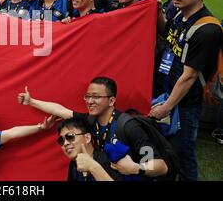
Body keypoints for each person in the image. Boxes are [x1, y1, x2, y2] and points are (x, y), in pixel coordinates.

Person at [18, 77, 169, 180]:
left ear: (111, 101)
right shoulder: (91, 120)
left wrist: (136, 168)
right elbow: (61, 111)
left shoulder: (128, 126)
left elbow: (161, 166)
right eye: (87, 96)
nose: (89, 101)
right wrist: (31, 101)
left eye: (96, 97)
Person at [149, 0, 222, 181]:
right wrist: (160, 12)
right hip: (167, 92)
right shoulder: (180, 14)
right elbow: (167, 33)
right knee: (164, 152)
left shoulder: (207, 29)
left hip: (183, 103)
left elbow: (190, 76)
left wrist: (166, 106)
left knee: (182, 156)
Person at [57, 117, 124, 181]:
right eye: (61, 140)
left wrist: (92, 167)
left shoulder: (109, 160)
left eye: (70, 136)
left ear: (87, 138)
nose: (65, 143)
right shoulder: (74, 164)